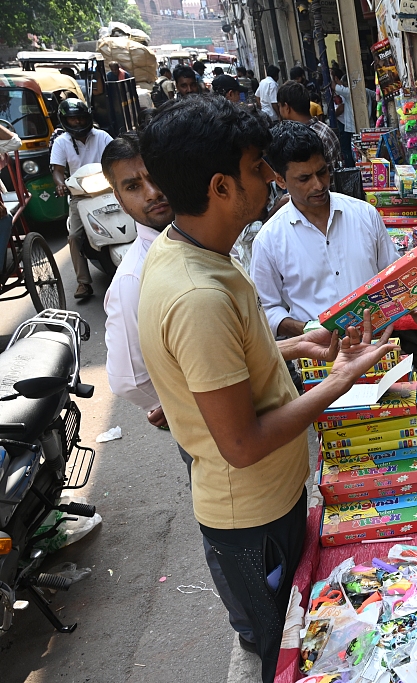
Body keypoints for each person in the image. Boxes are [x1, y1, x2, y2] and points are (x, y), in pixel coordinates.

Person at [138, 96, 398, 682]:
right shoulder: (198, 295)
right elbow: (243, 443)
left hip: (271, 504)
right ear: (221, 187)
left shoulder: (198, 252)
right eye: (258, 168)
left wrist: (298, 346)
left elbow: (229, 361)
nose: (270, 180)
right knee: (283, 649)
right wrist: (339, 380)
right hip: (252, 520)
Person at [99, 133, 259, 652]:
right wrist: (175, 400)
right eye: (133, 186)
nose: (150, 193)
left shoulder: (191, 243)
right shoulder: (138, 277)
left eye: (152, 177)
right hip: (216, 432)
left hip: (232, 415)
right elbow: (127, 376)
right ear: (117, 197)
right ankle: (253, 628)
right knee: (228, 524)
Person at [251, 121, 417, 339]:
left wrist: (412, 305)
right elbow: (266, 309)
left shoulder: (365, 214)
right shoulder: (268, 240)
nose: (318, 185)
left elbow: (392, 274)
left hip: (376, 346)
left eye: (322, 172)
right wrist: (308, 329)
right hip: (316, 354)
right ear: (280, 180)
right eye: (304, 179)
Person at [50, 98, 113, 301]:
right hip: (80, 195)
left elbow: (117, 156)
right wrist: (60, 184)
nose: (77, 122)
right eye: (72, 119)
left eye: (80, 118)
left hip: (108, 188)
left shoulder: (102, 136)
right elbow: (57, 170)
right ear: (65, 121)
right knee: (75, 236)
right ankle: (83, 282)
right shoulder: (61, 142)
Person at [276, 81, 342, 170]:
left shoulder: (304, 139)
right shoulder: (324, 128)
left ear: (287, 107)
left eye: (280, 106)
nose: (280, 111)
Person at [331, 67, 355, 167]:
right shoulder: (343, 91)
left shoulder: (344, 91)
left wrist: (332, 115)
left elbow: (341, 107)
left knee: (347, 149)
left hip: (345, 124)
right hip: (345, 123)